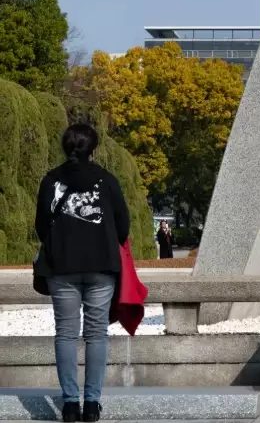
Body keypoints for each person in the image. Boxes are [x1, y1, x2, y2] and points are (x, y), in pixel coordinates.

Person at [35, 123, 130, 423]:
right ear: (94, 149)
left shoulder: (51, 181)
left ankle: (69, 406)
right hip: (101, 266)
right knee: (96, 333)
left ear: (65, 148)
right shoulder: (107, 180)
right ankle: (91, 405)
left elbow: (41, 226)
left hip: (61, 267)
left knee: (65, 334)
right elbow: (122, 225)